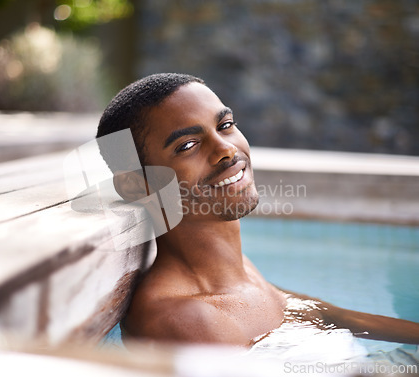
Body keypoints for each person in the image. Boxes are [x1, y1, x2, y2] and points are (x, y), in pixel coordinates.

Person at [96, 73, 419, 348]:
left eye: (225, 125)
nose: (226, 149)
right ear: (138, 187)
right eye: (187, 146)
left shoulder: (236, 270)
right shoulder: (186, 318)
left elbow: (324, 315)